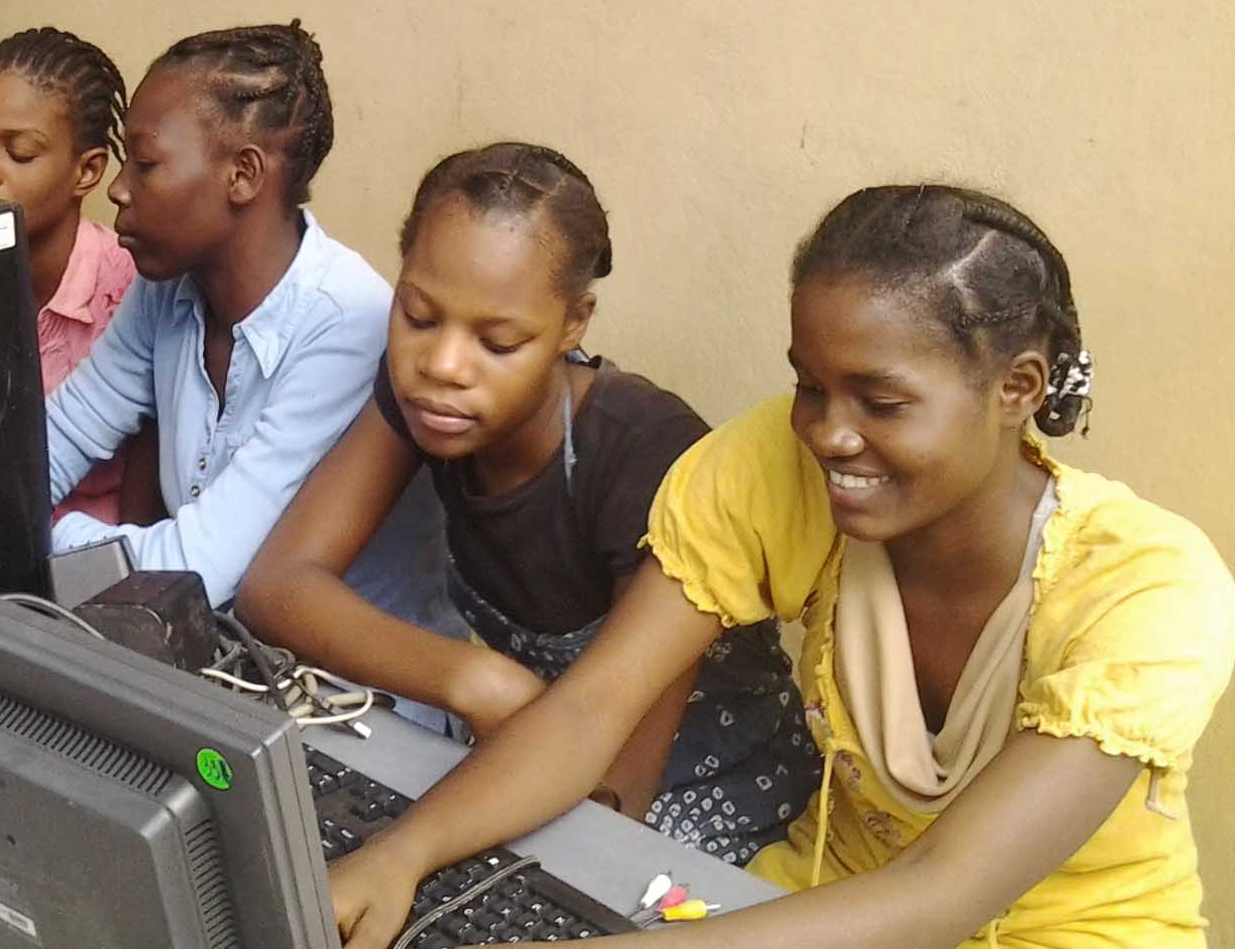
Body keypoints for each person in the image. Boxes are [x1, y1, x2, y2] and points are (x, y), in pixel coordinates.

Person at [329, 184, 1235, 949]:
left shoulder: (1149, 589)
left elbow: (942, 893)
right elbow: (592, 710)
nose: (828, 433)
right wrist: (401, 854)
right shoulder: (778, 465)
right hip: (808, 899)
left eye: (881, 401)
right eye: (810, 384)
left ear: (1019, 389)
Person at [238, 142, 816, 859]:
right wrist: (474, 679)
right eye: (418, 316)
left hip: (692, 791)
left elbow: (618, 798)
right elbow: (277, 583)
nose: (443, 366)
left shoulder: (641, 452)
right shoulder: (425, 405)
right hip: (533, 749)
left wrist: (511, 725)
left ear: (574, 323)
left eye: (498, 340)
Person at [44, 20, 448, 626]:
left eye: (146, 165)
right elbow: (57, 438)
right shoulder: (167, 288)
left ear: (244, 174)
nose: (119, 191)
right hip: (216, 656)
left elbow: (197, 573)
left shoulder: (346, 322)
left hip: (343, 697)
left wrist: (44, 533)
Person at [0, 27, 158, 524]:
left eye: (19, 152)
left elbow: (147, 511)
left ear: (86, 172)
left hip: (90, 567)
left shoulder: (135, 294)